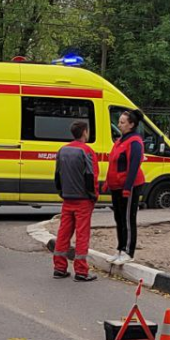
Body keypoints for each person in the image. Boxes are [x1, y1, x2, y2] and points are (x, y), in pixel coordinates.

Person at [52, 120, 98, 281]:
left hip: (67, 198)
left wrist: (62, 192)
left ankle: (59, 267)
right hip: (83, 200)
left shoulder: (62, 150)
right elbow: (91, 176)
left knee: (63, 233)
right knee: (82, 234)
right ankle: (81, 271)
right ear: (85, 132)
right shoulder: (87, 151)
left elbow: (57, 175)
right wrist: (93, 195)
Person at [105, 109, 146, 262]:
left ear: (131, 125)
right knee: (119, 218)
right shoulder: (120, 141)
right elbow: (113, 163)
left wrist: (128, 188)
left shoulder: (135, 142)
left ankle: (128, 251)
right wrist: (108, 182)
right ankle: (120, 248)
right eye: (119, 122)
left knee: (128, 218)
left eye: (122, 122)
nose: (119, 125)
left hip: (129, 186)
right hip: (116, 186)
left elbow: (134, 166)